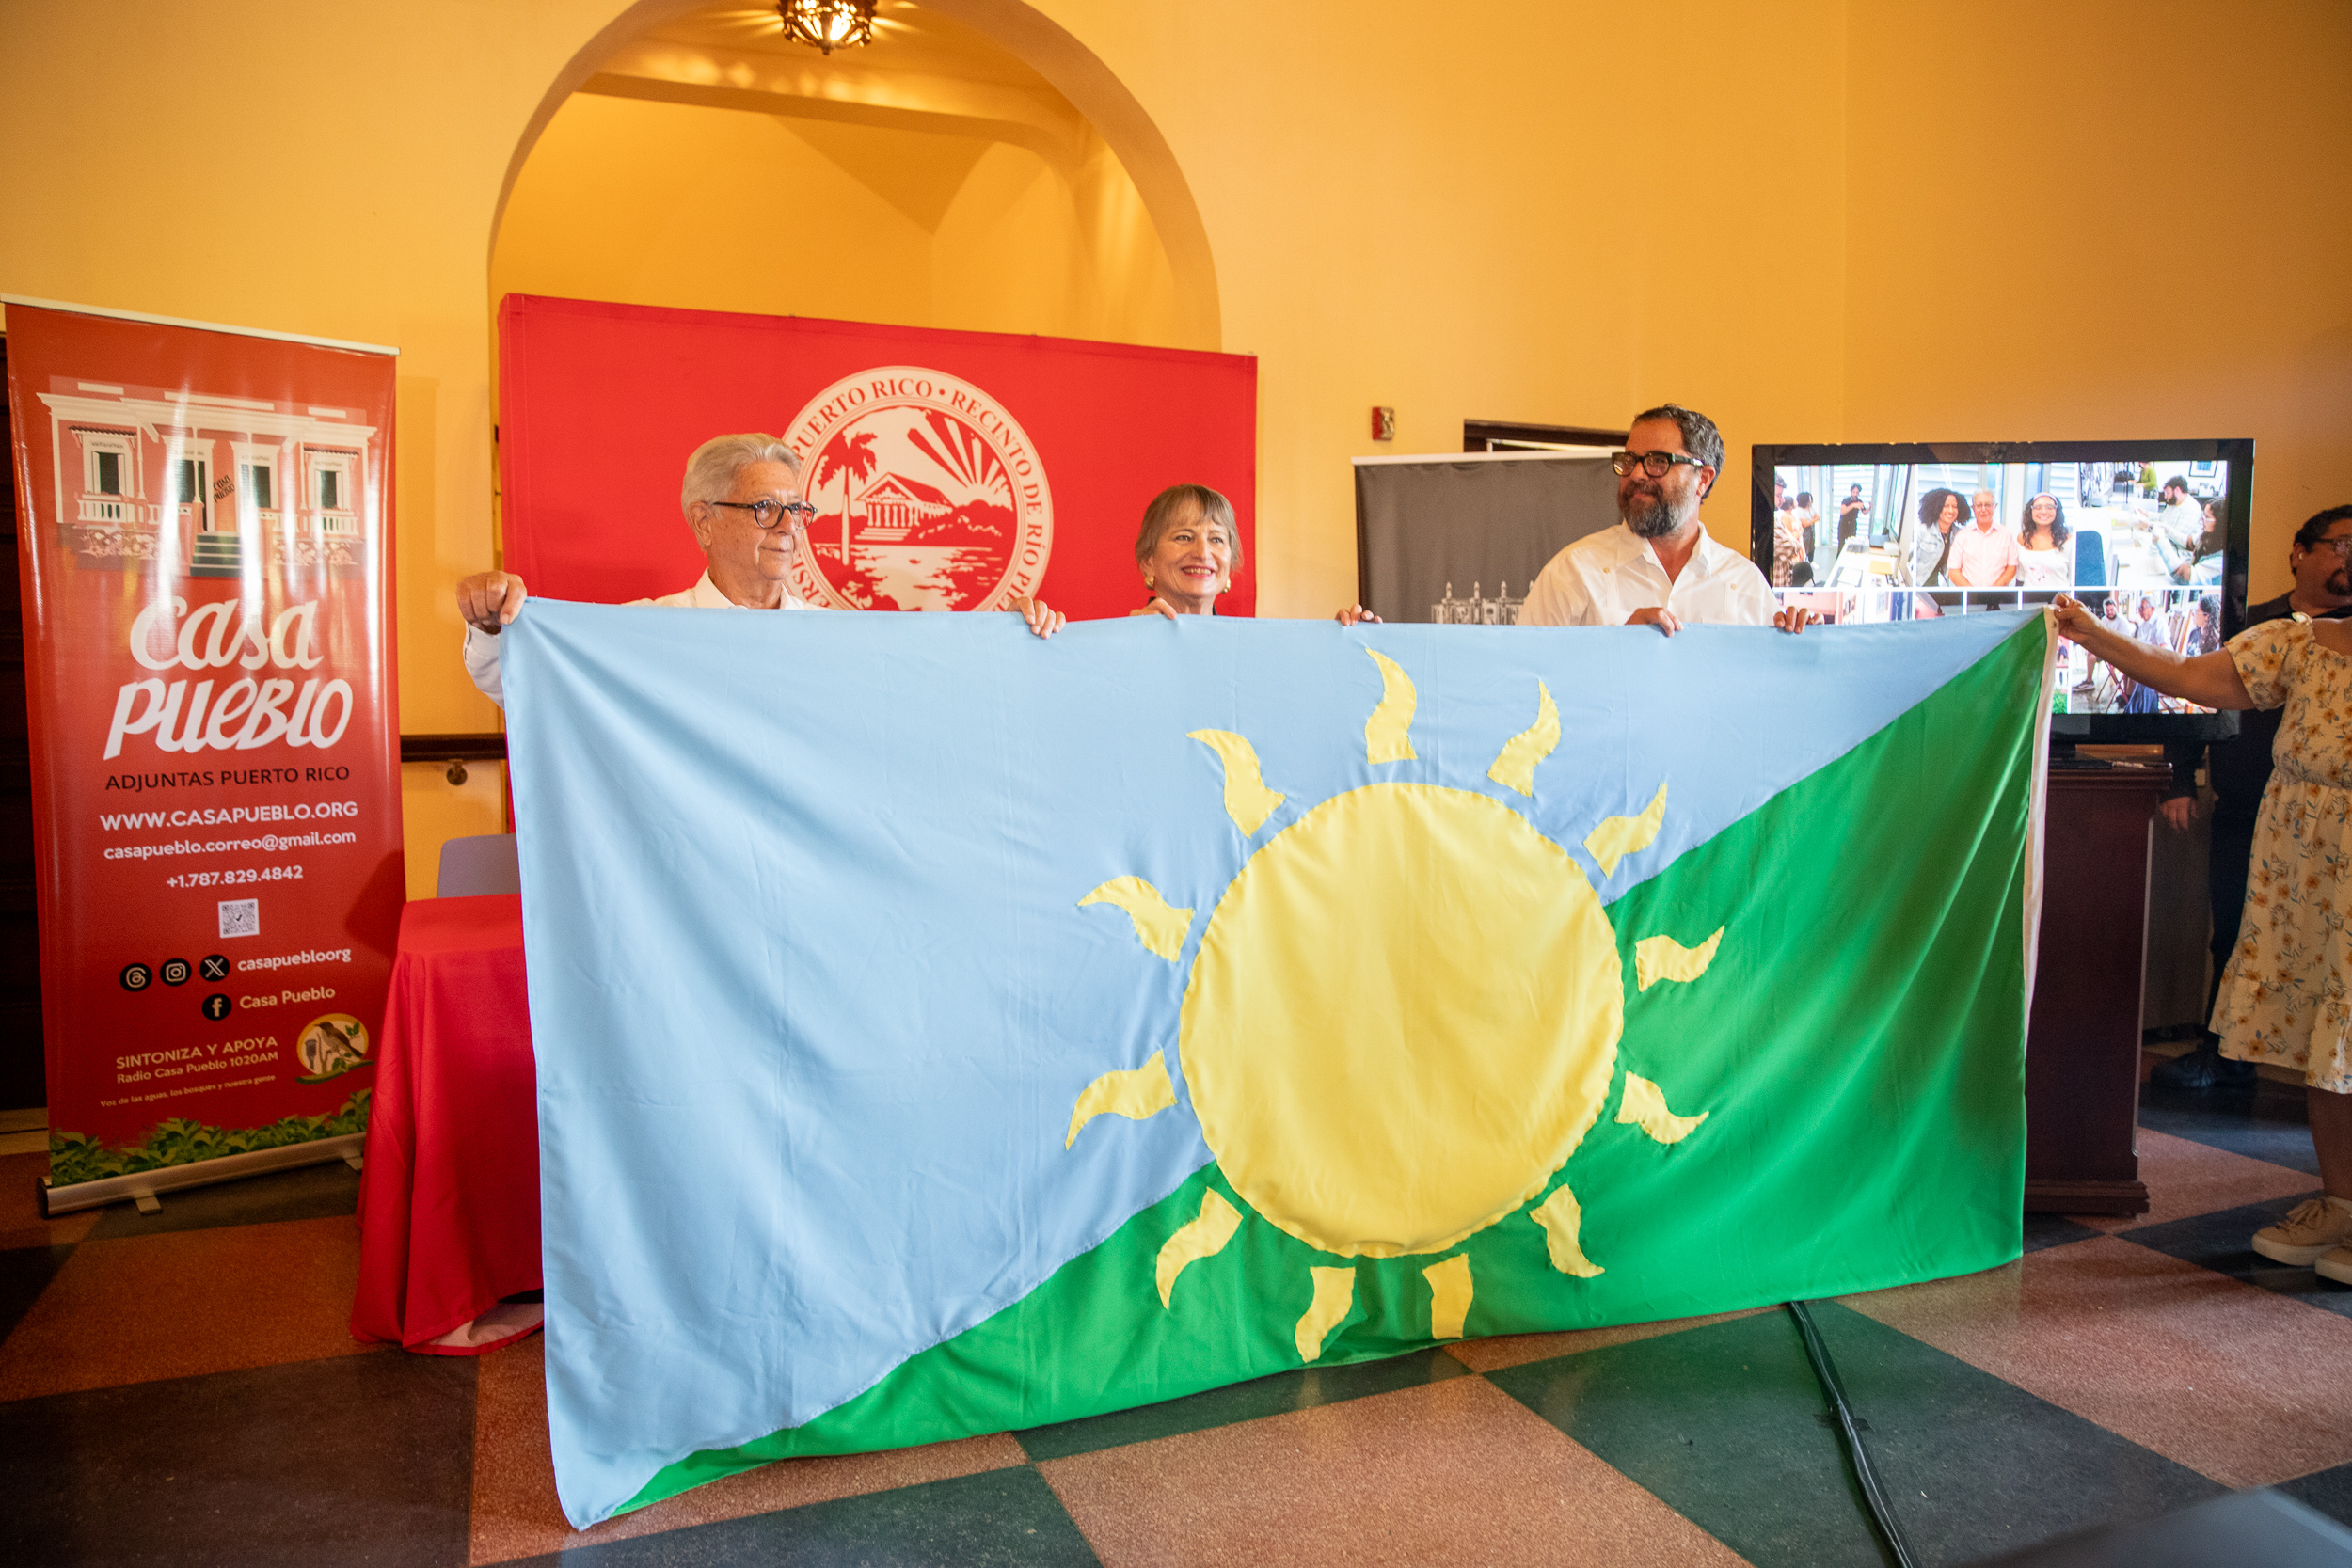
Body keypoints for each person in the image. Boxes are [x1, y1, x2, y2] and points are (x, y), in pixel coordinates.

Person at [2052, 561, 2352, 1282]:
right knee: (2325, 1036)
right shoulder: (2306, 642)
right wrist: (2090, 633)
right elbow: (2186, 675)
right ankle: (2341, 1200)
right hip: (2305, 871)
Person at [455, 433, 1064, 706]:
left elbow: (934, 689)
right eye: (766, 508)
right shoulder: (648, 634)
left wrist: (1014, 639)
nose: (788, 527)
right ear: (703, 522)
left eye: (797, 509)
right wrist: (491, 622)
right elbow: (522, 682)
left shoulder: (836, 638)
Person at [2154, 508, 2352, 1090]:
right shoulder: (2254, 622)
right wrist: (2179, 781)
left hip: (2326, 827)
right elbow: (2189, 688)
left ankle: (2303, 1066)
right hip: (2247, 806)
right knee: (2239, 931)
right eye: (2339, 544)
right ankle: (2226, 1057)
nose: (2347, 558)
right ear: (2299, 551)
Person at [1518, 403, 1812, 635]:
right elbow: (1524, 680)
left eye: (1658, 462)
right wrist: (1611, 649)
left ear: (1703, 480)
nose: (1635, 474)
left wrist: (1802, 643)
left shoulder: (1746, 585)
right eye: (1630, 461)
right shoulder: (1571, 574)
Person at [1126, 483, 1375, 625]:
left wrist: (1348, 646)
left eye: (1216, 539)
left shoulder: (1251, 652)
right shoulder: (1118, 645)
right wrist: (1130, 645)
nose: (1203, 552)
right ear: (1148, 561)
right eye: (1184, 537)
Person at [1947, 489, 2019, 588]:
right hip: (1968, 598)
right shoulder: (1962, 535)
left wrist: (1993, 592)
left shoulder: (2005, 534)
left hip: (1998, 597)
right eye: (1979, 505)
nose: (1983, 509)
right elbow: (1953, 571)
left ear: (1995, 507)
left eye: (1988, 505)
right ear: (1973, 508)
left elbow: (2012, 568)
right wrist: (1972, 594)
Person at [1909, 487, 1965, 587]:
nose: (1951, 510)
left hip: (1936, 587)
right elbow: (1908, 562)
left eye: (1955, 506)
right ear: (1937, 507)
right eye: (1946, 506)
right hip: (1917, 584)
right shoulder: (1922, 530)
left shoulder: (1959, 534)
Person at [2016, 492, 2073, 590]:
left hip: (2060, 601)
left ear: (2057, 511)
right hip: (2029, 601)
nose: (2043, 512)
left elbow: (2073, 580)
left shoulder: (2068, 541)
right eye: (2038, 507)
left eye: (2049, 507)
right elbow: (2020, 576)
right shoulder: (2023, 538)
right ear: (2031, 512)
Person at [1836, 483, 1870, 554]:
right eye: (1854, 492)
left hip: (1852, 525)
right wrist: (1853, 505)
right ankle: (1838, 560)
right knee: (1841, 544)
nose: (1855, 494)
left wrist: (1870, 508)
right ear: (1851, 492)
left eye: (1857, 492)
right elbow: (1842, 512)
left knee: (1851, 544)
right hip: (1843, 524)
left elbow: (1864, 512)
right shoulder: (1846, 500)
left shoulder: (1859, 502)